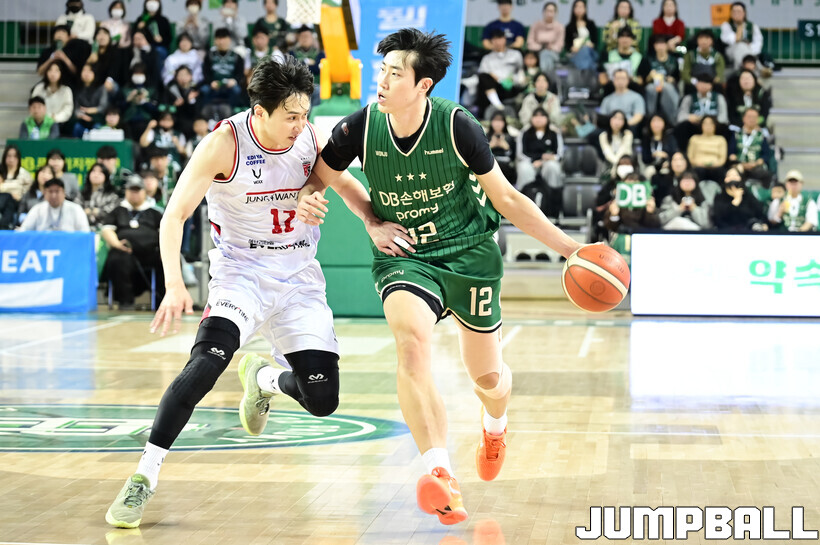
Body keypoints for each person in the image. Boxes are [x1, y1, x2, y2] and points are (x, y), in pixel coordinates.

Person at [297, 28, 585, 525]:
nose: (382, 81)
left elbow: (507, 199)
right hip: (406, 256)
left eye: (395, 73)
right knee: (411, 344)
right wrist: (366, 218)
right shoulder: (360, 127)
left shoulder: (457, 126)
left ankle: (495, 425)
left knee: (488, 379)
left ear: (423, 85)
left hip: (470, 254)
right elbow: (323, 176)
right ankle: (441, 472)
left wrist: (572, 250)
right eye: (382, 71)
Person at [104, 56, 405, 528]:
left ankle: (263, 379)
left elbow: (345, 184)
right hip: (241, 274)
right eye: (291, 116)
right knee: (204, 366)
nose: (300, 125)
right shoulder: (223, 144)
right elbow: (174, 215)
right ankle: (143, 476)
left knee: (323, 400)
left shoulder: (308, 137)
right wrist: (175, 284)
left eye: (305, 114)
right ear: (260, 112)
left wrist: (371, 222)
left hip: (298, 277)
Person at [100, 176, 164, 309]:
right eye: (131, 190)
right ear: (126, 192)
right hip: (124, 251)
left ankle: (163, 302)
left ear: (144, 192)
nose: (135, 193)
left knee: (166, 259)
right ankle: (125, 302)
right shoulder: (117, 211)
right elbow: (106, 230)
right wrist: (117, 244)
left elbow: (164, 232)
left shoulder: (155, 213)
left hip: (150, 253)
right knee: (117, 259)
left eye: (138, 190)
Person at [516, 108, 563, 217]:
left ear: (547, 118)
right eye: (536, 116)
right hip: (530, 162)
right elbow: (521, 154)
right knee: (523, 168)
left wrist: (543, 161)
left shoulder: (554, 133)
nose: (539, 119)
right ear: (531, 119)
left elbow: (559, 155)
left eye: (542, 116)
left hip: (548, 163)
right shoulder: (525, 132)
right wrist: (535, 160)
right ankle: (524, 207)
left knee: (552, 167)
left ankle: (552, 208)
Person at [476, 29, 525, 119]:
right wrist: (496, 78)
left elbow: (520, 71)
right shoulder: (487, 58)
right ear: (491, 41)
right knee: (483, 77)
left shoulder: (515, 54)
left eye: (500, 38)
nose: (498, 42)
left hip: (511, 86)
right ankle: (497, 105)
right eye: (495, 39)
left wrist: (515, 80)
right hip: (494, 86)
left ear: (504, 39)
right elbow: (483, 75)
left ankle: (497, 105)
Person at [675, 73, 729, 149]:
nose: (703, 86)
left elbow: (724, 118)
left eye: (706, 83)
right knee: (683, 126)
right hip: (695, 126)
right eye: (701, 83)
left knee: (726, 128)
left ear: (711, 85)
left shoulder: (719, 97)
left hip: (714, 127)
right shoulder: (689, 98)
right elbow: (680, 117)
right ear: (696, 84)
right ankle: (683, 151)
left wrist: (711, 122)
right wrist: (689, 117)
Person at [19, 178, 90, 232]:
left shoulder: (75, 209)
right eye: (50, 191)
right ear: (45, 193)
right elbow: (24, 231)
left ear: (64, 193)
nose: (53, 195)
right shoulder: (37, 209)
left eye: (57, 191)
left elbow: (85, 232)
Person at [201, 28, 246, 111]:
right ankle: (206, 114)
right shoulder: (209, 56)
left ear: (229, 40)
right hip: (214, 85)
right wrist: (211, 82)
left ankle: (232, 113)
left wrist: (234, 81)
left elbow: (240, 74)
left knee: (237, 90)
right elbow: (205, 73)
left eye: (224, 38)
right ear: (215, 41)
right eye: (219, 39)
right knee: (204, 90)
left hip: (230, 85)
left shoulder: (237, 57)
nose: (221, 42)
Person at [729, 107, 773, 187]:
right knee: (732, 173)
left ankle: (764, 193)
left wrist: (755, 163)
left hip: (755, 166)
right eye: (749, 117)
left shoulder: (761, 136)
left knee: (767, 175)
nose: (752, 119)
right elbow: (731, 153)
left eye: (754, 117)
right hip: (739, 165)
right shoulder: (736, 135)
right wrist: (740, 163)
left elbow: (766, 154)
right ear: (744, 118)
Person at [642, 34, 680, 123]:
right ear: (654, 46)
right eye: (658, 44)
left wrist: (672, 79)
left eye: (662, 44)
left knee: (667, 87)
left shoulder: (674, 60)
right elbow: (643, 79)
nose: (660, 47)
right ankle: (650, 117)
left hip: (668, 85)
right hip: (653, 84)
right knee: (651, 88)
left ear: (667, 45)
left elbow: (678, 78)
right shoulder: (647, 59)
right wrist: (650, 76)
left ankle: (673, 118)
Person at [598, 27, 649, 91]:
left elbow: (641, 81)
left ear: (632, 40)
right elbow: (602, 79)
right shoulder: (607, 56)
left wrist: (632, 79)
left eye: (628, 37)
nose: (625, 39)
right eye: (622, 36)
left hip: (632, 88)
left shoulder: (640, 58)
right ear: (617, 39)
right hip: (612, 88)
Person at [74, 162, 120, 228]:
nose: (96, 175)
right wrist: (88, 212)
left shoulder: (112, 195)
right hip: (83, 228)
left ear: (106, 176)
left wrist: (96, 212)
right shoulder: (81, 194)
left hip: (105, 228)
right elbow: (75, 210)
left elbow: (112, 213)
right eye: (93, 171)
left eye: (100, 172)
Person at [720, 2, 763, 70]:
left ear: (744, 13)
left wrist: (748, 48)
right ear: (730, 13)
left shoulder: (752, 26)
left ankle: (742, 69)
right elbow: (733, 40)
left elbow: (758, 42)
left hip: (750, 50)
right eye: (734, 11)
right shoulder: (726, 25)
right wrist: (740, 26)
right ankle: (760, 68)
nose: (736, 14)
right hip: (731, 50)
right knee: (740, 46)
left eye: (739, 11)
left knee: (743, 48)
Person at [288, 26, 324, 107]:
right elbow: (293, 69)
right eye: (302, 36)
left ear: (312, 38)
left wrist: (301, 64)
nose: (305, 39)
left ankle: (314, 113)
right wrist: (309, 63)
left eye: (307, 36)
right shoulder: (292, 53)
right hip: (298, 86)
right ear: (298, 38)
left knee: (319, 91)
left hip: (316, 85)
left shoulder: (320, 53)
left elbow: (317, 69)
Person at [599, 69, 645, 133]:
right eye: (617, 78)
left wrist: (623, 124)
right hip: (610, 129)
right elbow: (603, 117)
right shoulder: (607, 99)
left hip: (629, 127)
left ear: (628, 80)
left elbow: (638, 116)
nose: (620, 81)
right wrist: (614, 125)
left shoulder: (636, 97)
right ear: (613, 80)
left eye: (623, 78)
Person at [31, 62, 74, 128]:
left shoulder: (66, 90)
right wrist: (46, 118)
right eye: (50, 70)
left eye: (56, 71)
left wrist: (55, 118)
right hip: (41, 122)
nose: (53, 74)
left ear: (61, 73)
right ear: (46, 72)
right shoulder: (39, 88)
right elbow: (34, 106)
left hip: (61, 124)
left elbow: (67, 110)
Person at [526, 3, 565, 77]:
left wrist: (551, 47)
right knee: (542, 54)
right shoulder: (536, 25)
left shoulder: (560, 27)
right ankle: (547, 78)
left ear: (555, 13)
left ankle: (544, 76)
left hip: (553, 53)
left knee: (545, 54)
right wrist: (541, 46)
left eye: (552, 11)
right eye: (547, 11)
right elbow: (530, 42)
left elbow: (559, 46)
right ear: (543, 12)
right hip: (536, 52)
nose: (549, 13)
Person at [687, 116, 728, 183]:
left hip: (716, 166)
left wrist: (713, 164)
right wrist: (700, 164)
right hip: (698, 166)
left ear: (715, 125)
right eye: (705, 123)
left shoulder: (721, 139)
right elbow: (690, 157)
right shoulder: (694, 139)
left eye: (711, 123)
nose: (708, 126)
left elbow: (722, 159)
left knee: (720, 171)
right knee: (699, 171)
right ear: (701, 125)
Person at [73, 62, 109, 137]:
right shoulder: (77, 89)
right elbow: (76, 108)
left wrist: (90, 110)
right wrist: (81, 115)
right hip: (82, 119)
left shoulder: (101, 88)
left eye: (90, 71)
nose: (86, 73)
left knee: (97, 127)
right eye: (84, 70)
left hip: (97, 119)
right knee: (76, 127)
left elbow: (103, 107)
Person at [564, 0, 599, 73]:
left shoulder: (591, 24)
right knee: (588, 60)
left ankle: (583, 74)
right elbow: (568, 45)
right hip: (575, 53)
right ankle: (589, 73)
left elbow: (595, 41)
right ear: (573, 9)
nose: (579, 9)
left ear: (585, 9)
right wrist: (572, 48)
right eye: (577, 7)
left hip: (590, 52)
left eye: (581, 7)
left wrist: (592, 44)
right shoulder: (569, 27)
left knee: (585, 50)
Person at [598, 110, 633, 178]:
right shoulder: (603, 136)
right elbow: (607, 152)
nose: (617, 122)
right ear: (610, 119)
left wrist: (618, 164)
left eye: (620, 119)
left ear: (624, 122)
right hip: (609, 165)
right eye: (615, 118)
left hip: (625, 163)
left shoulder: (628, 134)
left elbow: (623, 151)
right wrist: (616, 164)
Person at [641, 114, 677, 180]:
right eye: (654, 121)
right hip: (651, 166)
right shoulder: (647, 139)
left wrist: (666, 156)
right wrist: (653, 155)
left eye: (659, 121)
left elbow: (675, 153)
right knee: (649, 171)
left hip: (667, 165)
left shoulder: (670, 138)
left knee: (665, 172)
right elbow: (645, 159)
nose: (656, 124)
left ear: (664, 123)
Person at [486, 112, 516, 186]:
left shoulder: (509, 137)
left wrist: (506, 147)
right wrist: (491, 145)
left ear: (504, 123)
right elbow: (482, 154)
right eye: (495, 121)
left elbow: (513, 157)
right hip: (490, 163)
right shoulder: (485, 137)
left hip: (506, 165)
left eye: (500, 121)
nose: (497, 124)